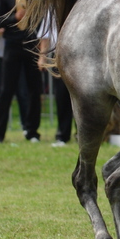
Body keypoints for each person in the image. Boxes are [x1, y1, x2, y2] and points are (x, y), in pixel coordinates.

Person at [0, 0, 42, 143]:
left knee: (34, 90)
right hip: (12, 45)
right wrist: (14, 17)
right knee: (6, 91)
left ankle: (32, 131)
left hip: (31, 43)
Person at [37, 15, 72, 146]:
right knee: (62, 96)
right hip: (58, 53)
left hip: (80, 52)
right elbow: (46, 35)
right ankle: (62, 135)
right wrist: (43, 57)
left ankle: (82, 135)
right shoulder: (51, 9)